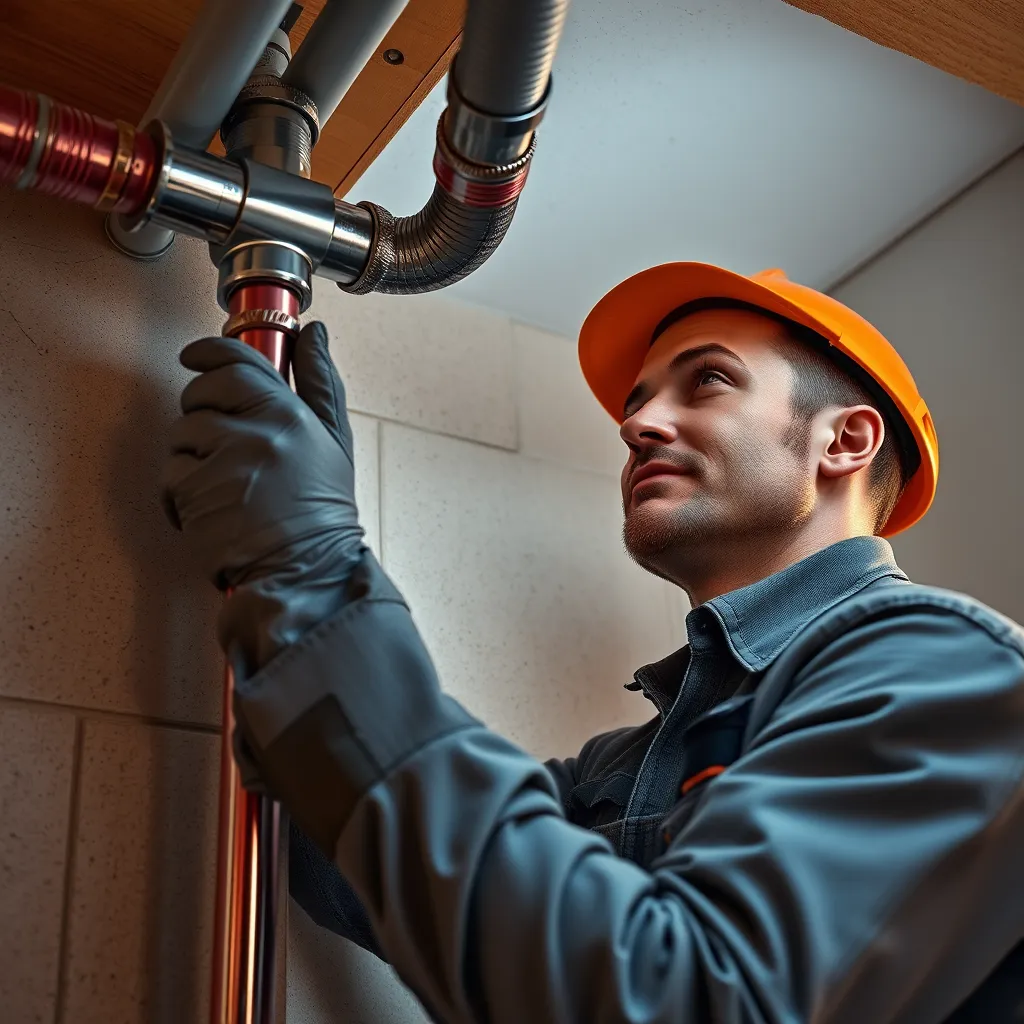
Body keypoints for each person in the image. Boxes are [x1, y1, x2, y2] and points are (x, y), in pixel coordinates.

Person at [161, 263, 1024, 1022]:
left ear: (845, 440)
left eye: (708, 381)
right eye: (639, 400)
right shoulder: (620, 770)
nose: (639, 423)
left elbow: (677, 1000)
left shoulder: (941, 668)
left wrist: (316, 571)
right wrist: (284, 579)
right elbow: (371, 873)